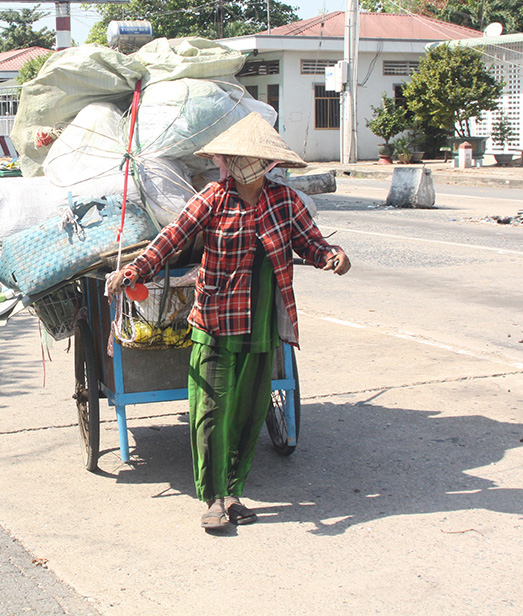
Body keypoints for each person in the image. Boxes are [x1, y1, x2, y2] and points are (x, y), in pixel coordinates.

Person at [106, 112, 350, 532]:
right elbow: (172, 239)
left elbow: (312, 243)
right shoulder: (213, 198)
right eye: (226, 158)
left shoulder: (284, 202)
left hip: (261, 326)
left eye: (234, 158)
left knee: (248, 412)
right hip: (216, 321)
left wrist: (333, 257)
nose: (227, 164)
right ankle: (213, 497)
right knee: (211, 412)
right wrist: (135, 269)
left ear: (261, 163)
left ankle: (233, 491)